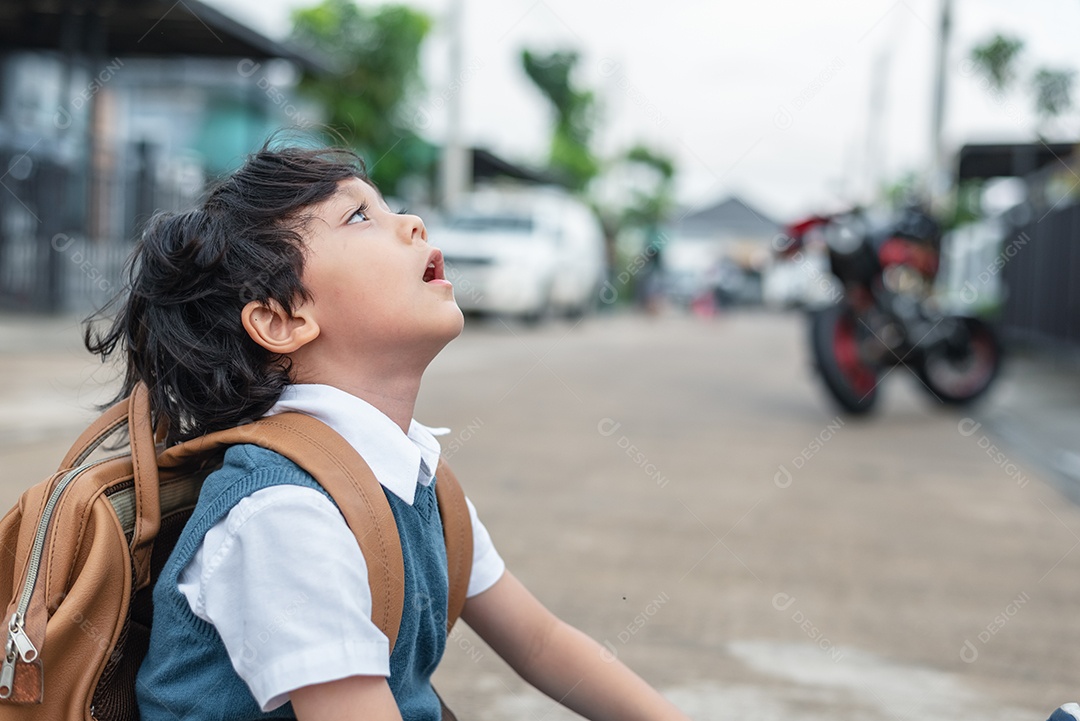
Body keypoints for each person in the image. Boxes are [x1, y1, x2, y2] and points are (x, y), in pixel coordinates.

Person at [87, 142, 691, 721]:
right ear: (281, 319)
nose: (413, 223)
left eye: (388, 206)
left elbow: (540, 642)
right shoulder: (282, 514)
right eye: (358, 216)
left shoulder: (416, 477)